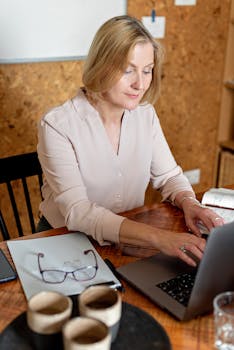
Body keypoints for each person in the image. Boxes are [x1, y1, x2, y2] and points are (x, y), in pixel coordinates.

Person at [37, 15, 224, 267]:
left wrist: (190, 204)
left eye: (147, 70)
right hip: (64, 243)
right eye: (128, 70)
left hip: (127, 242)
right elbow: (79, 212)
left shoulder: (144, 115)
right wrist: (162, 239)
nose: (140, 83)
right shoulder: (58, 125)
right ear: (102, 65)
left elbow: (169, 177)